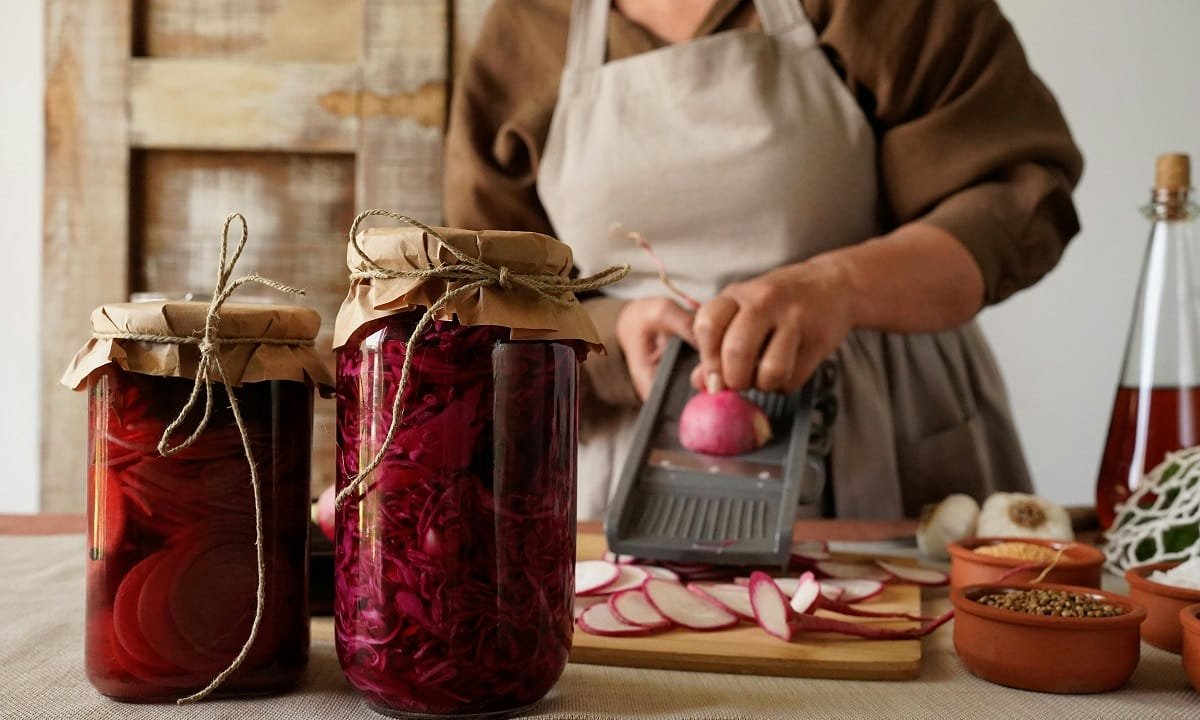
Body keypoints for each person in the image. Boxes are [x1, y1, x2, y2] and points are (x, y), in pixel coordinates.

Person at [442, 0, 1083, 521]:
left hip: (885, 432)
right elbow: (486, 290)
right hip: (625, 455)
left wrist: (841, 286)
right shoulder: (525, 28)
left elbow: (1015, 199)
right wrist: (610, 335)